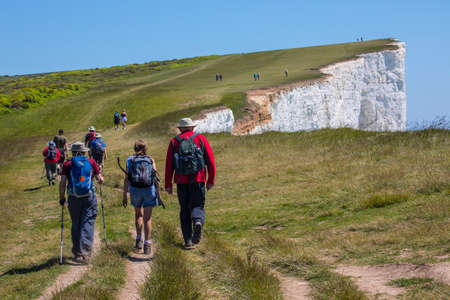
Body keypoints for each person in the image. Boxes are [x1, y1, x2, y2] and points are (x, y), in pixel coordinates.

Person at [165, 118, 215, 248]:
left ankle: (188, 240)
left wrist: (168, 184)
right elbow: (210, 160)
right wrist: (210, 180)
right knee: (197, 206)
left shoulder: (174, 142)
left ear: (180, 129)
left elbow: (169, 165)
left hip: (181, 181)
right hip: (198, 179)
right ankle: (198, 221)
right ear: (192, 128)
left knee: (184, 210)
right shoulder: (200, 139)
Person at [59, 142, 104, 263]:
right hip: (89, 197)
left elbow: (62, 182)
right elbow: (100, 179)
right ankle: (86, 252)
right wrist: (100, 179)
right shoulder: (91, 162)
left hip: (73, 198)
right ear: (84, 151)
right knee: (88, 222)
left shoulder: (67, 164)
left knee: (76, 223)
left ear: (72, 152)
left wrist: (62, 198)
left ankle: (78, 252)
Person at [122, 139, 159, 254]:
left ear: (135, 148)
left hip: (135, 190)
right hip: (149, 190)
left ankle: (139, 239)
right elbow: (156, 178)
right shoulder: (150, 160)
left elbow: (127, 178)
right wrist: (158, 193)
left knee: (138, 214)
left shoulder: (130, 160)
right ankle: (147, 244)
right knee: (147, 218)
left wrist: (124, 194)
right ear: (145, 148)